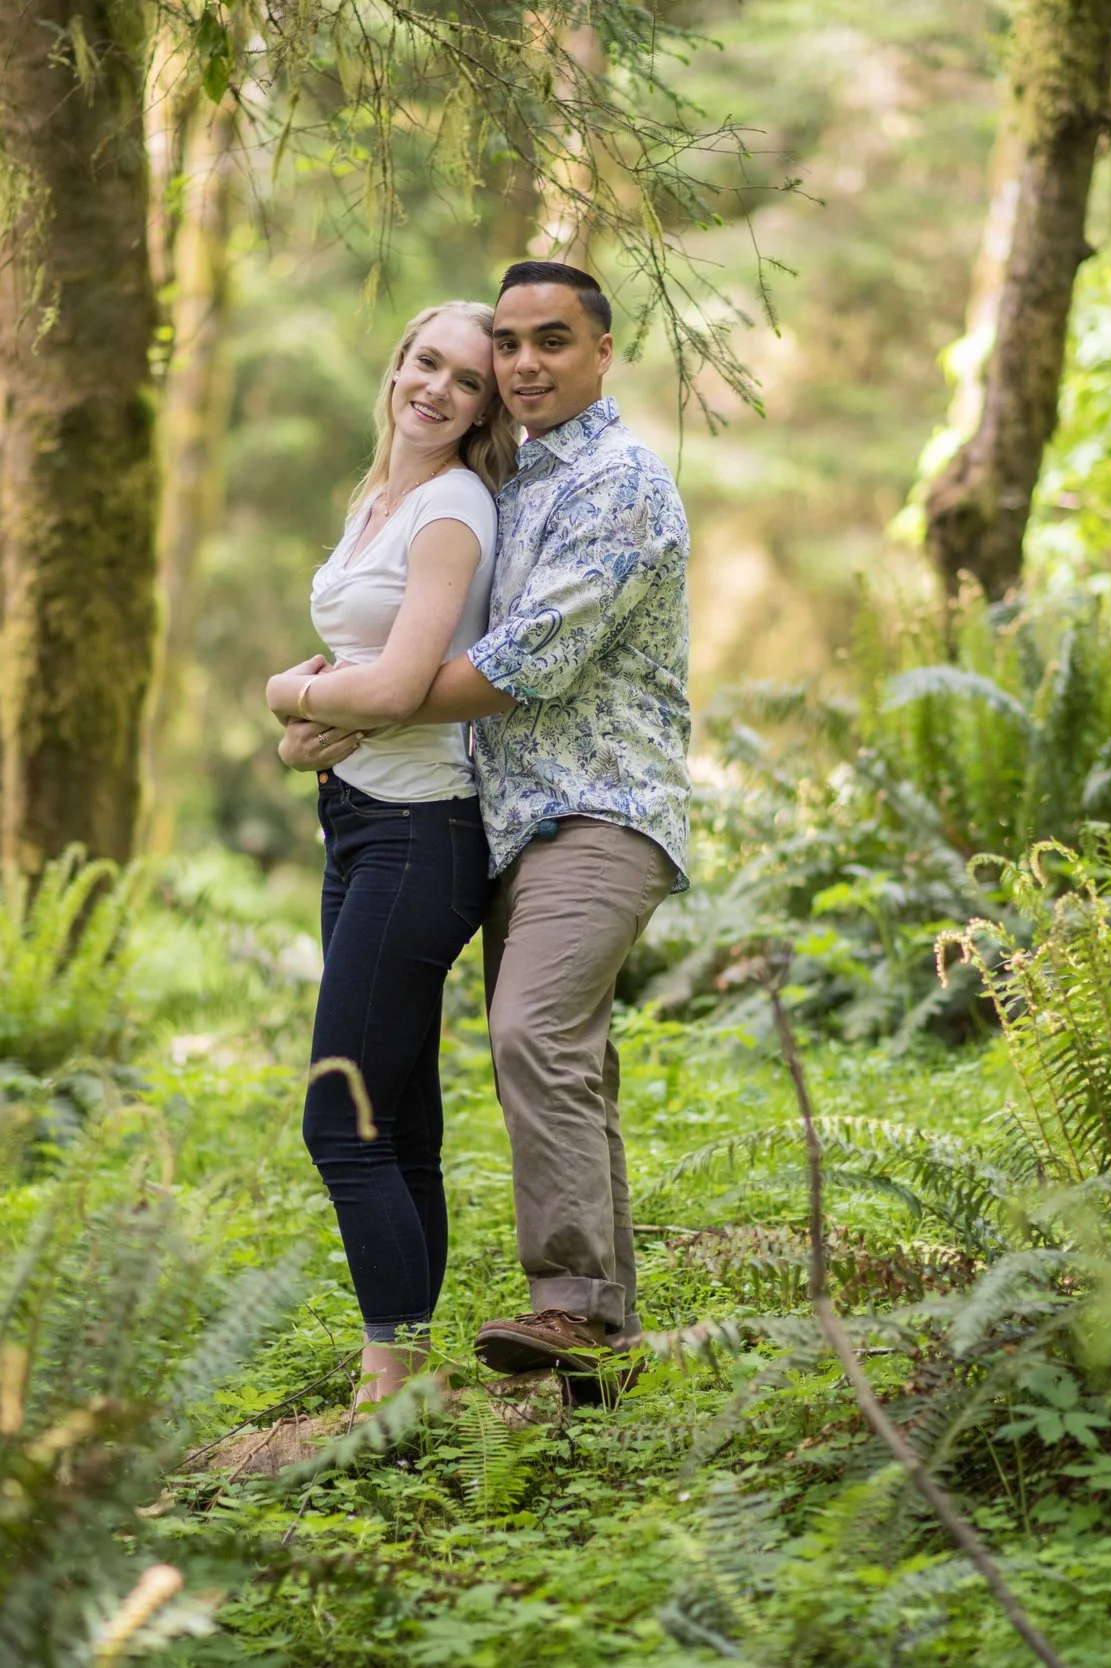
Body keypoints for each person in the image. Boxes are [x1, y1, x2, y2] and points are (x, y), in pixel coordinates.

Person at [276, 261, 691, 1395]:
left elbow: (521, 663)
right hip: (505, 817)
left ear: (603, 352)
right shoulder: (508, 483)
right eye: (505, 345)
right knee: (570, 1063)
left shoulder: (615, 481)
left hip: (599, 806)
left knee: (531, 1035)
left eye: (548, 342)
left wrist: (319, 696)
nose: (519, 365)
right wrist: (344, 711)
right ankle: (601, 1349)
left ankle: (567, 1310)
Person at [264, 301, 516, 1412]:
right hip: (361, 821)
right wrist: (326, 715)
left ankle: (384, 1392)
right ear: (398, 366)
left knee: (342, 1116)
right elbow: (365, 666)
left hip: (423, 832)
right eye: (427, 364)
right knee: (400, 1119)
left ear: (481, 409)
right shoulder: (382, 499)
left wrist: (289, 696)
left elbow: (403, 683)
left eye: (466, 382)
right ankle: (407, 1372)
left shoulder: (453, 510)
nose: (437, 390)